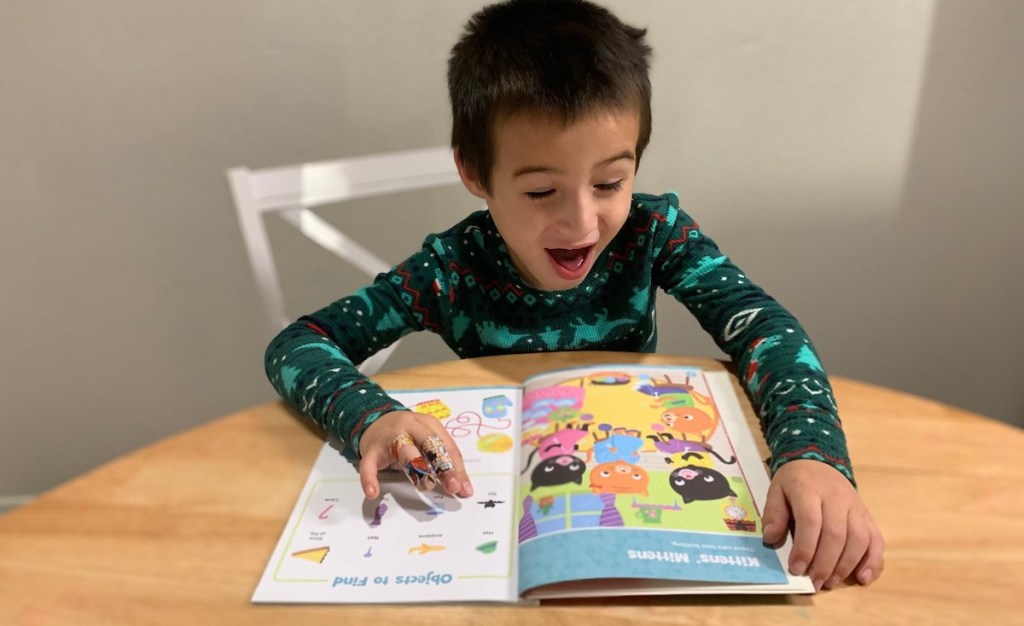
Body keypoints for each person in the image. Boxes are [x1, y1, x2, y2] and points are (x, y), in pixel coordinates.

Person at [264, 0, 884, 592]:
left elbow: (766, 331)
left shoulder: (655, 233)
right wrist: (372, 416)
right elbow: (299, 344)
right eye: (541, 193)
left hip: (640, 491)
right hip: (489, 506)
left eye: (610, 181)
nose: (583, 224)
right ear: (476, 175)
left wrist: (813, 453)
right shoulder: (450, 269)